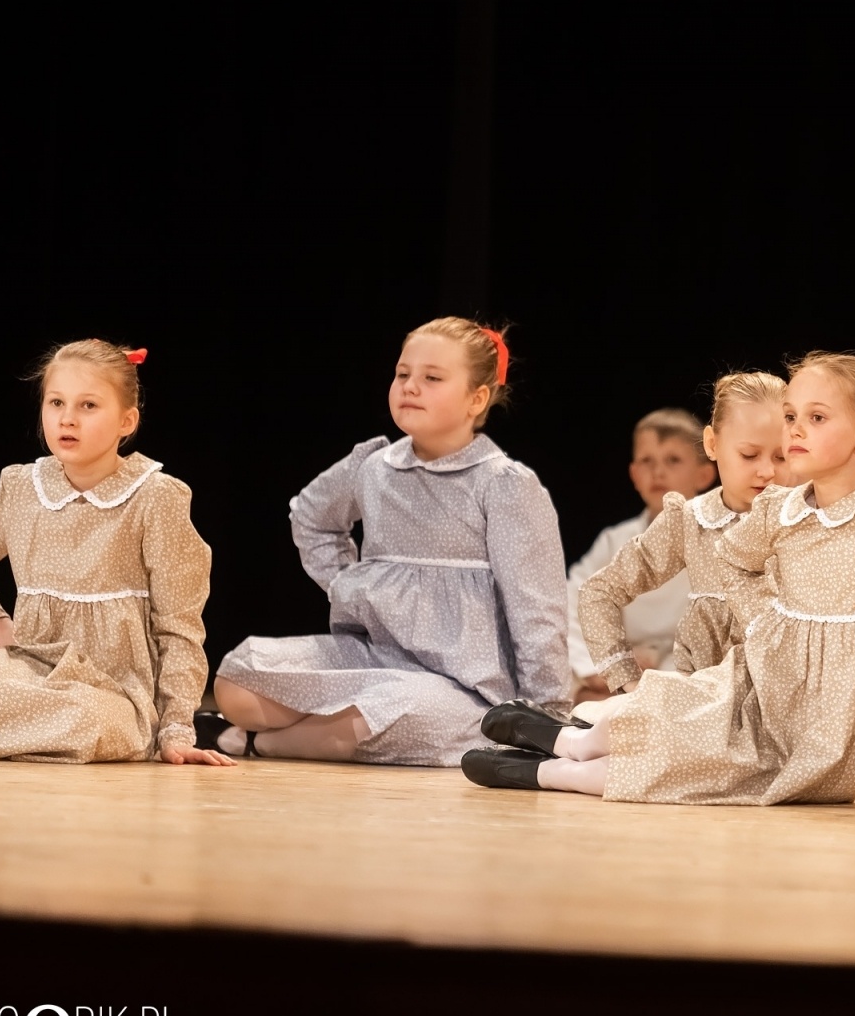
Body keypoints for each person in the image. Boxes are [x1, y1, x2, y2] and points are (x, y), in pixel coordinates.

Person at [466, 352, 855, 813]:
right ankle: (565, 748)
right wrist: (771, 629)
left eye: (816, 418)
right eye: (792, 416)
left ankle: (552, 767)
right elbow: (733, 559)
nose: (795, 431)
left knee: (698, 770)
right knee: (680, 729)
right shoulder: (781, 507)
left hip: (830, 732)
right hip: (763, 692)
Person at [209, 318, 569, 765]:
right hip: (372, 658)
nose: (410, 387)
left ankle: (259, 742)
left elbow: (537, 606)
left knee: (389, 714)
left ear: (476, 399)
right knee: (238, 678)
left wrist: (545, 715)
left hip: (461, 686)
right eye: (403, 374)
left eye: (432, 378)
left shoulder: (503, 484)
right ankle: (292, 732)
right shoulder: (375, 467)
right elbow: (311, 516)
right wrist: (345, 581)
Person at [0, 340, 225, 766]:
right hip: (27, 679)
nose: (67, 418)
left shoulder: (155, 498)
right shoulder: (23, 490)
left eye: (88, 406)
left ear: (127, 421)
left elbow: (179, 627)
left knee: (91, 719)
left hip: (112, 692)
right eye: (56, 402)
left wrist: (175, 729)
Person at [576, 372, 788, 702]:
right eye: (750, 455)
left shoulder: (804, 521)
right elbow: (599, 591)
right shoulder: (690, 522)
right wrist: (625, 679)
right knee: (601, 729)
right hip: (703, 704)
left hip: (785, 703)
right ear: (712, 444)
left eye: (781, 456)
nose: (767, 471)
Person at [565, 408, 716, 702]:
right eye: (647, 461)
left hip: (683, 668)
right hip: (620, 662)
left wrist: (656, 665)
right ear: (634, 474)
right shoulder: (615, 540)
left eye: (673, 460)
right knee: (577, 696)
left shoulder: (714, 536)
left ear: (704, 473)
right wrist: (596, 666)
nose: (658, 472)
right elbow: (575, 599)